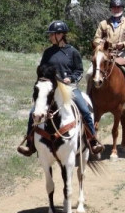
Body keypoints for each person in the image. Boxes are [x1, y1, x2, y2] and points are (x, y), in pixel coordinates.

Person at [17, 20, 104, 157]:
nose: (50, 37)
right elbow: (43, 69)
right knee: (33, 112)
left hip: (70, 88)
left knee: (84, 110)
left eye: (52, 34)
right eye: (50, 34)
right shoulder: (48, 52)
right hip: (52, 89)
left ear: (61, 35)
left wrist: (71, 78)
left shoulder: (73, 52)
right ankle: (30, 143)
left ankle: (92, 140)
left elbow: (79, 70)